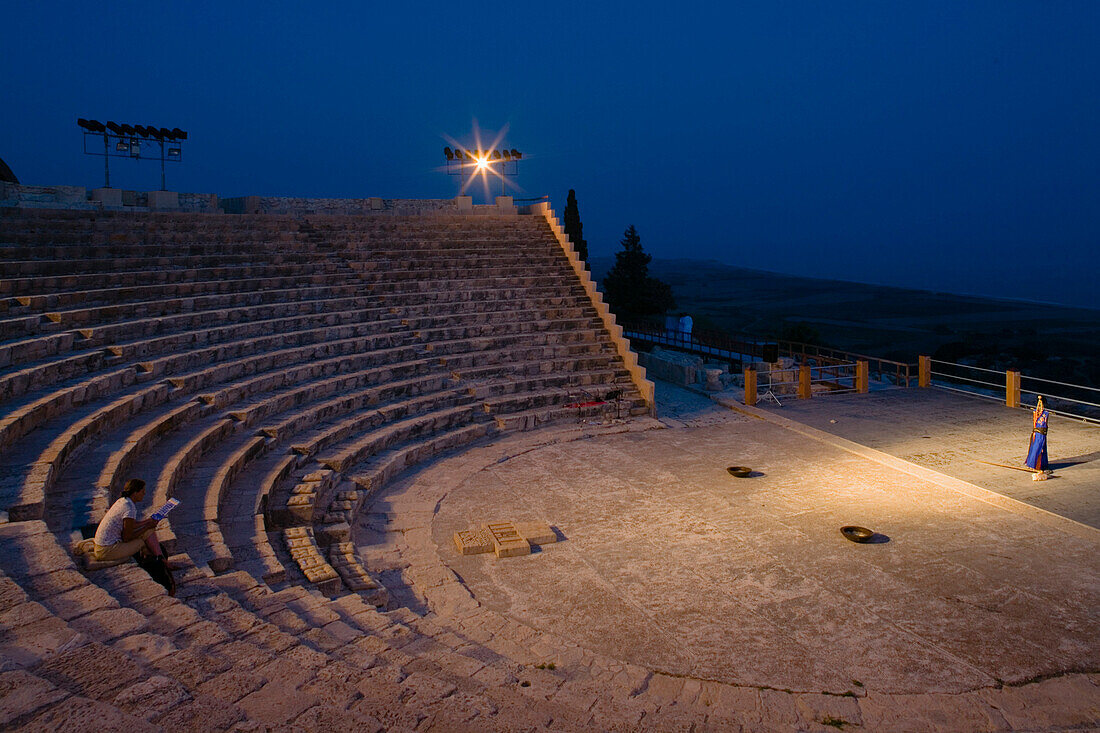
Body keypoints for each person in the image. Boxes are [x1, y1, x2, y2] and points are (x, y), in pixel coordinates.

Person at [94, 478, 174, 594]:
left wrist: (147, 522)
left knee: (148, 531)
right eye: (142, 491)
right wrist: (146, 527)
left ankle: (161, 559)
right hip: (106, 550)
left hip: (106, 545)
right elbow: (127, 537)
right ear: (135, 493)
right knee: (142, 542)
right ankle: (159, 567)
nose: (144, 494)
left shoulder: (123, 501)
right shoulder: (129, 508)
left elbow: (130, 525)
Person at [1025, 396, 1050, 475]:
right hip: (1038, 432)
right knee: (1037, 447)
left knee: (1038, 447)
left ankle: (1036, 464)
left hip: (1040, 432)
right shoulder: (1039, 413)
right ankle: (1034, 464)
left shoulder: (1043, 413)